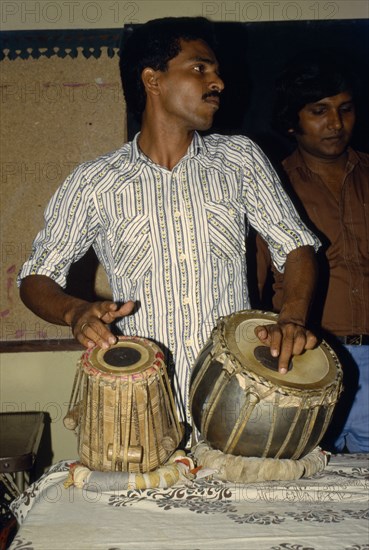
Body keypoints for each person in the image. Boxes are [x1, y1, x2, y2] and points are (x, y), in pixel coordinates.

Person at [18, 17, 320, 436]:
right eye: (200, 68)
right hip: (140, 405)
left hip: (239, 400)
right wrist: (75, 311)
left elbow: (295, 246)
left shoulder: (240, 159)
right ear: (152, 79)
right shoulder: (94, 182)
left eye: (216, 70)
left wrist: (292, 317)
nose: (218, 82)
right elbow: (35, 277)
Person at [256, 52, 369, 453]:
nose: (336, 124)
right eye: (319, 111)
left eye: (345, 109)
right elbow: (251, 291)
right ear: (292, 120)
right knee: (304, 482)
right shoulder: (270, 190)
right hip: (308, 361)